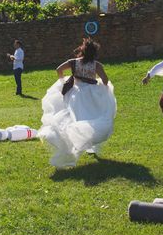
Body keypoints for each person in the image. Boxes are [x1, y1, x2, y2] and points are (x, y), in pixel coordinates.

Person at [38, 39, 116, 168]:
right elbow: (106, 81)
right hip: (91, 94)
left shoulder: (73, 62)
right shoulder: (96, 65)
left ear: (82, 50)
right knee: (92, 117)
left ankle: (76, 141)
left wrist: (63, 80)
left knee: (74, 117)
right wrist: (98, 83)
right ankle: (89, 144)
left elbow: (59, 69)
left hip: (74, 93)